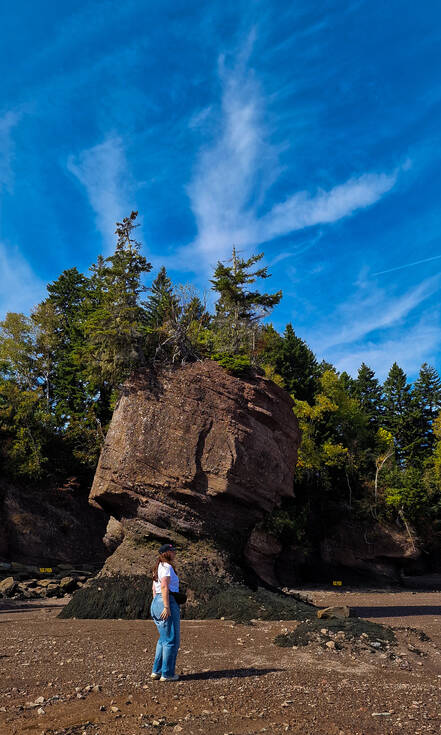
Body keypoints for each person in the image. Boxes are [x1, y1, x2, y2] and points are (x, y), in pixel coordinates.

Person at [150, 543, 181, 681]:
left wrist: (157, 604)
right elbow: (164, 586)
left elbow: (154, 589)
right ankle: (167, 674)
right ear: (167, 553)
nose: (174, 553)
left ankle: (156, 671)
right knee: (171, 640)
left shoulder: (157, 568)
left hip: (156, 602)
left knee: (163, 639)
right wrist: (166, 606)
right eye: (172, 551)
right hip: (166, 601)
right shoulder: (167, 567)